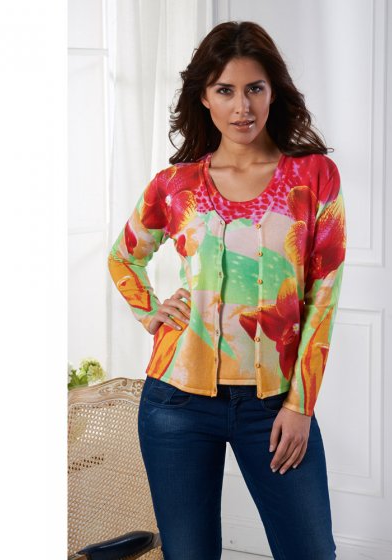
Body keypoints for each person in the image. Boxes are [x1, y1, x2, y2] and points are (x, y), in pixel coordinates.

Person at [108, 20, 346, 560]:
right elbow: (124, 256)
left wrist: (300, 404)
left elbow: (324, 294)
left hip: (274, 405)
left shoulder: (314, 178)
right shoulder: (175, 185)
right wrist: (151, 311)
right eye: (225, 90)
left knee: (311, 551)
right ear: (204, 97)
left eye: (254, 88)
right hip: (175, 403)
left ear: (273, 91)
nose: (242, 107)